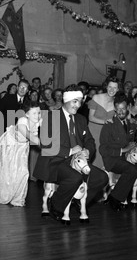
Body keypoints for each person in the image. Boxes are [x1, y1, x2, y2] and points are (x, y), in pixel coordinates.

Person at [33, 84, 108, 224]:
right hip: (56, 161)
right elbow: (45, 145)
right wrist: (69, 151)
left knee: (102, 178)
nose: (78, 105)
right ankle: (56, 205)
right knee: (75, 177)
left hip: (77, 162)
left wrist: (88, 150)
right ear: (66, 100)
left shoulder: (81, 119)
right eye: (75, 101)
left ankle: (75, 200)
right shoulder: (51, 116)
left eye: (80, 101)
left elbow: (90, 140)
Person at [99, 92, 137, 211]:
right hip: (114, 160)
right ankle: (115, 198)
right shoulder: (108, 125)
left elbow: (131, 141)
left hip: (129, 158)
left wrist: (133, 148)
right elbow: (103, 149)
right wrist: (123, 150)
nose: (120, 112)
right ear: (115, 109)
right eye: (118, 109)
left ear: (128, 108)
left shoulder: (131, 124)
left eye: (123, 109)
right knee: (132, 170)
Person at [0, 101, 41, 207]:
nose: (37, 115)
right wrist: (47, 147)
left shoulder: (36, 122)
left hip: (22, 146)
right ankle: (2, 195)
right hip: (9, 145)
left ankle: (17, 199)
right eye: (34, 113)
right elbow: (31, 136)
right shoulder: (22, 120)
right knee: (7, 171)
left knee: (23, 171)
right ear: (27, 114)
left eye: (39, 113)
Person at [88, 77, 120, 168]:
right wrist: (104, 121)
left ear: (118, 89)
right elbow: (90, 117)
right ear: (106, 87)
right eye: (110, 87)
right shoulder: (97, 97)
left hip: (106, 134)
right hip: (94, 131)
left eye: (115, 88)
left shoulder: (117, 102)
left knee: (104, 159)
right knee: (92, 157)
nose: (112, 90)